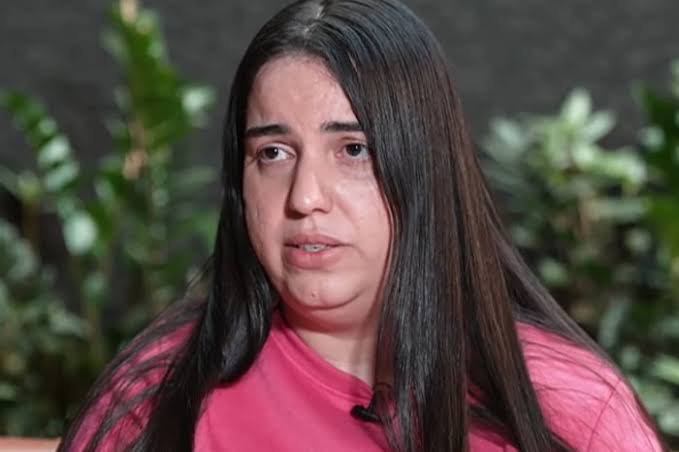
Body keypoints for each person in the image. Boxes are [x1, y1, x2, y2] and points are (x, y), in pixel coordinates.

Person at [57, 0, 666, 450]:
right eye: (273, 153)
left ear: (425, 167)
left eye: (353, 150)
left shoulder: (567, 408)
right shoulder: (159, 396)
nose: (306, 197)